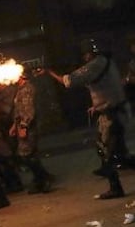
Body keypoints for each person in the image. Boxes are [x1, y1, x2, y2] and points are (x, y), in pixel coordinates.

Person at [46, 38, 127, 199]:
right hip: (116, 111)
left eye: (85, 55)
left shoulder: (95, 65)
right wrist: (96, 106)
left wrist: (50, 73)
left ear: (90, 53)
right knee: (115, 150)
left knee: (105, 151)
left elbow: (68, 81)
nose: (84, 58)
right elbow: (108, 87)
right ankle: (113, 171)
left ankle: (115, 188)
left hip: (111, 114)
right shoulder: (106, 62)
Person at [9, 67, 52, 194]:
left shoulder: (27, 89)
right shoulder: (20, 89)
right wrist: (14, 126)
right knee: (30, 154)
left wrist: (24, 127)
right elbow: (19, 110)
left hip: (29, 127)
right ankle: (40, 180)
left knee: (26, 154)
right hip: (22, 125)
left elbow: (28, 111)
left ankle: (43, 180)